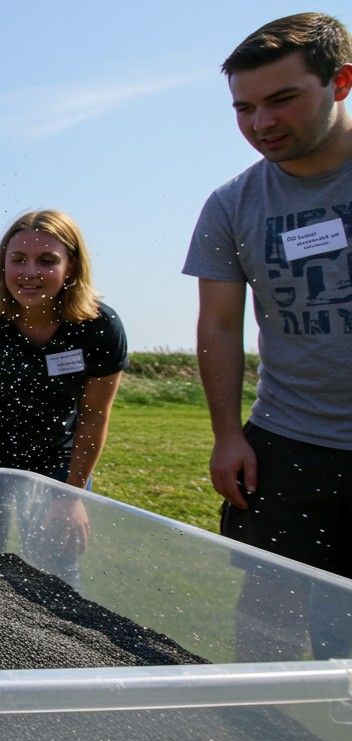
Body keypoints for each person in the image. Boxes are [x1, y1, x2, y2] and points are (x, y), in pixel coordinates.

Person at [182, 12, 352, 660]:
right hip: (287, 439)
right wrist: (228, 434)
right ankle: (258, 720)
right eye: (244, 108)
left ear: (341, 82)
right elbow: (220, 325)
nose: (262, 124)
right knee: (268, 612)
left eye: (282, 100)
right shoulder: (231, 205)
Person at [0, 210, 127, 583]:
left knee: (56, 572)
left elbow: (94, 415)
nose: (29, 272)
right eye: (18, 259)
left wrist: (71, 496)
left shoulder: (99, 327)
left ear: (71, 267)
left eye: (46, 260)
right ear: (2, 265)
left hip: (57, 463)